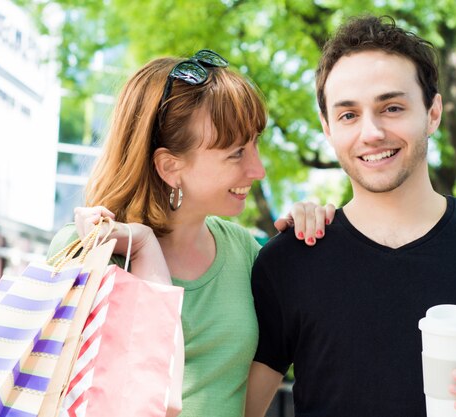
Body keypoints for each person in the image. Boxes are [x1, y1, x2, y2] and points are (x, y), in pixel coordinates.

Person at [246, 15, 456, 417]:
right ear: (328, 128)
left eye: (392, 107)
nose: (371, 132)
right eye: (348, 114)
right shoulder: (290, 260)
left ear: (433, 112)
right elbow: (238, 409)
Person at [48, 49, 334, 417]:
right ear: (170, 166)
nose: (258, 169)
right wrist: (143, 250)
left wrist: (312, 232)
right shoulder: (89, 249)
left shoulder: (244, 251)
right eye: (236, 153)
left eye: (255, 144)